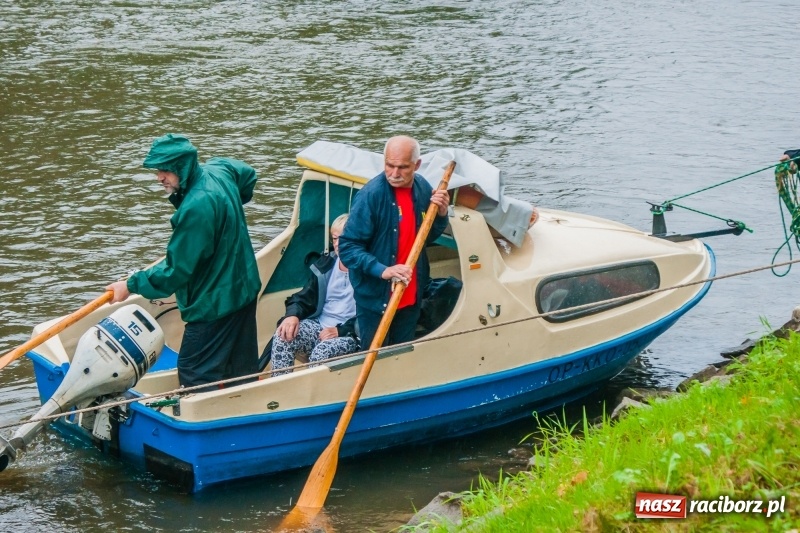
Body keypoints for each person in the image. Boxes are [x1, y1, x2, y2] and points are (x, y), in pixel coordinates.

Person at [106, 133, 262, 390]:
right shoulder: (219, 170)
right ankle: (242, 409)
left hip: (214, 304)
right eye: (157, 170)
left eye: (165, 170)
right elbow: (248, 175)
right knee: (240, 367)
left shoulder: (196, 208)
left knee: (194, 370)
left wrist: (131, 284)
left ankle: (206, 423)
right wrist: (231, 206)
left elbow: (176, 270)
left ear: (182, 167)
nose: (159, 177)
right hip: (243, 291)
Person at [338, 135, 450, 350]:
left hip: (411, 294)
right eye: (390, 165)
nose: (394, 174)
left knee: (401, 357)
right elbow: (348, 247)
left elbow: (426, 238)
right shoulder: (371, 195)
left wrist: (442, 214)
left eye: (403, 167)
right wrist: (384, 270)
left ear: (417, 165)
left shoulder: (423, 188)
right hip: (376, 300)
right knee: (374, 356)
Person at [267, 214, 359, 376]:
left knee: (321, 352)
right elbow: (302, 298)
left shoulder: (368, 270)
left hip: (352, 334)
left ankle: (311, 395)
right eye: (335, 239)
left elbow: (374, 314)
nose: (338, 244)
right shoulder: (326, 265)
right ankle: (280, 387)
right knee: (283, 336)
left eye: (344, 239)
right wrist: (292, 315)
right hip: (320, 325)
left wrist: (342, 331)